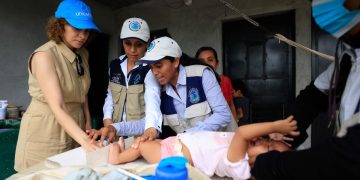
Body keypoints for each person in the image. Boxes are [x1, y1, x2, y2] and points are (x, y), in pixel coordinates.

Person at [252, 0, 360, 179]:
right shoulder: (348, 58)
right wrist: (287, 132)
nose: (315, 4)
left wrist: (273, 165)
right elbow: (312, 98)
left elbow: (351, 155)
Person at [14, 0, 100, 171]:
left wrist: (88, 126)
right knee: (44, 173)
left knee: (71, 173)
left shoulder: (83, 54)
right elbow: (58, 106)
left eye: (86, 31)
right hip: (46, 129)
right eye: (76, 29)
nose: (83, 36)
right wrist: (85, 141)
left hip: (76, 126)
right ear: (60, 27)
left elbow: (83, 95)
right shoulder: (44, 56)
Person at [108, 116, 298, 179]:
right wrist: (273, 135)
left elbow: (242, 132)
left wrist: (274, 125)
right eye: (269, 140)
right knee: (151, 141)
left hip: (177, 156)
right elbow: (252, 135)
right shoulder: (249, 147)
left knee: (143, 144)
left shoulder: (239, 165)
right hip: (178, 143)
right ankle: (126, 151)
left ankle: (116, 158)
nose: (264, 141)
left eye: (269, 147)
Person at [135, 37, 232, 138]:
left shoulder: (201, 75)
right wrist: (118, 128)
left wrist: (187, 135)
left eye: (159, 66)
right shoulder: (163, 93)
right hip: (193, 149)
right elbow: (151, 122)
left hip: (222, 145)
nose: (154, 72)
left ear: (176, 62)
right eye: (151, 68)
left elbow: (223, 114)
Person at [91, 17, 162, 145]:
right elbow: (110, 96)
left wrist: (151, 129)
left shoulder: (150, 69)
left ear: (147, 43)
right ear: (122, 42)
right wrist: (107, 121)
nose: (133, 50)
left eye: (139, 44)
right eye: (128, 43)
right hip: (114, 134)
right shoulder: (115, 65)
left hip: (139, 137)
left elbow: (153, 102)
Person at [195, 47, 238, 121]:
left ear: (217, 64)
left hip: (226, 124)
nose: (206, 64)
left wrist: (235, 122)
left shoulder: (225, 81)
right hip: (203, 126)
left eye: (210, 60)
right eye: (201, 61)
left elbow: (230, 104)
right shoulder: (193, 84)